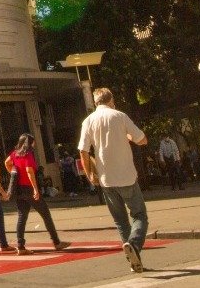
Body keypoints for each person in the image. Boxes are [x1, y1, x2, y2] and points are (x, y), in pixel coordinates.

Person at [77, 88, 150, 275]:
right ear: (111, 100)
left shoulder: (88, 121)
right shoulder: (120, 116)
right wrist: (128, 137)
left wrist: (89, 174)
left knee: (120, 221)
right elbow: (142, 140)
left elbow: (83, 150)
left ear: (96, 102)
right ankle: (134, 245)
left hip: (106, 180)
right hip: (127, 176)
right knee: (140, 215)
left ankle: (133, 260)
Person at [5, 133, 68, 254]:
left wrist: (14, 172)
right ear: (29, 143)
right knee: (45, 214)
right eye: (33, 142)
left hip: (19, 189)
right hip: (28, 188)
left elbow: (6, 162)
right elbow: (29, 171)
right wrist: (35, 189)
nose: (34, 144)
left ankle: (21, 246)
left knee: (22, 216)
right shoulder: (28, 154)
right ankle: (56, 242)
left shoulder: (14, 154)